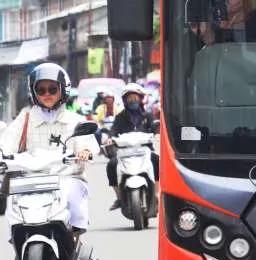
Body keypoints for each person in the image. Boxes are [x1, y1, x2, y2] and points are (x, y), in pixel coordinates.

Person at [0, 63, 98, 245]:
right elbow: (6, 143)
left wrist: (85, 151)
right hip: (29, 181)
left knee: (73, 198)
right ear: (34, 92)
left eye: (52, 89)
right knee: (13, 208)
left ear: (63, 89)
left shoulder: (75, 120)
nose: (47, 94)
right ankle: (20, 246)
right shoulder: (24, 119)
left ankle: (73, 242)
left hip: (66, 178)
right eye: (41, 90)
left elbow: (87, 143)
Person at [105, 83, 160, 210]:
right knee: (111, 165)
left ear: (140, 99)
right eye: (130, 98)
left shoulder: (147, 116)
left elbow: (156, 126)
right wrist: (110, 138)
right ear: (125, 100)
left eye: (135, 98)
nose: (133, 100)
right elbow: (113, 130)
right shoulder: (120, 117)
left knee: (157, 161)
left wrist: (158, 132)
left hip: (145, 150)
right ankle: (119, 197)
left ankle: (156, 193)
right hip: (125, 152)